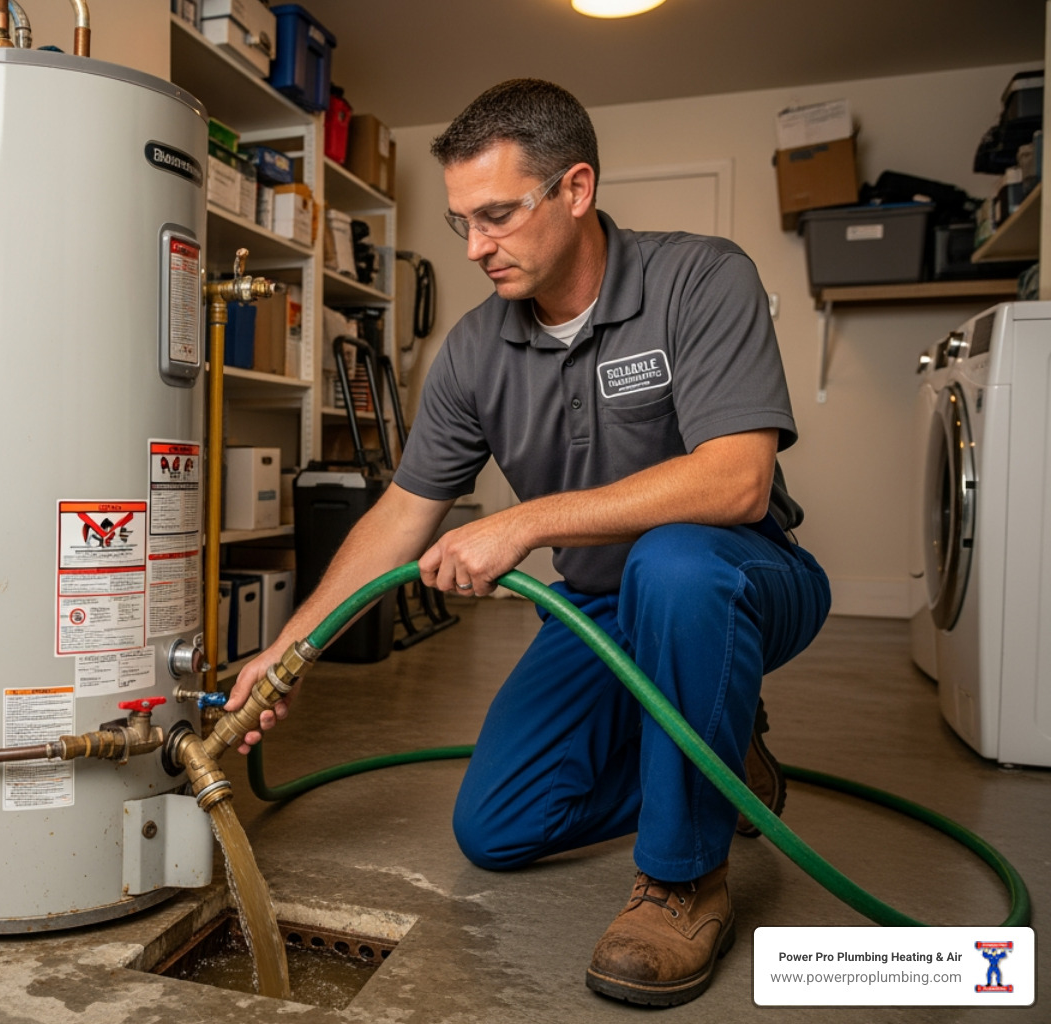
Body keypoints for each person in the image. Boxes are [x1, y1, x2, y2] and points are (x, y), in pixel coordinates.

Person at [226, 78, 831, 1007]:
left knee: (673, 564)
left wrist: (525, 519)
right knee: (498, 826)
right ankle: (722, 750)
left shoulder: (702, 278)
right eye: (463, 221)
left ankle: (680, 881)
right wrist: (289, 650)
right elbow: (403, 510)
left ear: (577, 189)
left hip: (739, 579)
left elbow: (736, 482)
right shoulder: (475, 351)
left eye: (498, 216)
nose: (475, 248)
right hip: (597, 608)